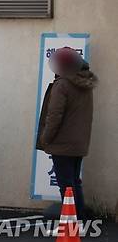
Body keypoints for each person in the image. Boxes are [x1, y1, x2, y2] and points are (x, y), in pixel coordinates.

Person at [37, 48, 96, 220]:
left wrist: (45, 138)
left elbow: (54, 115)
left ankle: (72, 224)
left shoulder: (62, 84)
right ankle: (80, 219)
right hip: (79, 142)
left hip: (62, 143)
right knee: (74, 183)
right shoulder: (84, 82)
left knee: (66, 185)